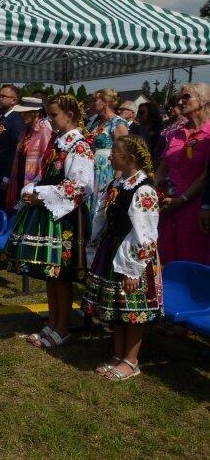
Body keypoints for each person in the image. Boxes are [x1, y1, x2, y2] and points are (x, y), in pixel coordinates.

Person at [5, 94, 94, 347]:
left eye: (54, 115)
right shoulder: (58, 143)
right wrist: (31, 189)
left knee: (61, 276)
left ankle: (62, 327)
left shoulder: (79, 146)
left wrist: (41, 195)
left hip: (65, 219)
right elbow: (45, 175)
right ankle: (52, 323)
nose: (50, 119)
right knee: (50, 274)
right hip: (51, 213)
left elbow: (79, 186)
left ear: (70, 115)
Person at [82, 135, 162, 380]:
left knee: (131, 309)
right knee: (117, 307)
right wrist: (94, 246)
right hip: (112, 248)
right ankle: (117, 355)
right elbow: (102, 217)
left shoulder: (144, 189)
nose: (111, 156)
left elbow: (145, 232)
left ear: (129, 158)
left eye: (115, 152)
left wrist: (133, 268)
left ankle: (131, 360)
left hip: (132, 254)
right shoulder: (117, 183)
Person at [155, 82, 210, 265]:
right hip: (168, 204)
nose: (180, 101)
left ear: (204, 100)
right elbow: (163, 166)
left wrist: (182, 200)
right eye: (180, 98)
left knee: (192, 258)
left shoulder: (208, 134)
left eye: (186, 97)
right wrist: (156, 191)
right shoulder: (176, 133)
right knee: (167, 257)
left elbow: (206, 174)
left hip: (195, 206)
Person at [5, 97, 53, 215]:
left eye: (25, 112)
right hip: (20, 178)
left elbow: (46, 162)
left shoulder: (45, 132)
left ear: (35, 112)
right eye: (21, 112)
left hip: (33, 183)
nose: (22, 115)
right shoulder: (24, 132)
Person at [86, 88, 129, 213]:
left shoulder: (118, 123)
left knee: (102, 202)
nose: (93, 103)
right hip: (93, 166)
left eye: (95, 100)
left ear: (105, 103)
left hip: (107, 168)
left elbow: (123, 152)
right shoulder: (96, 123)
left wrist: (117, 179)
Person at [0, 85, 25, 211]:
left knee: (4, 209)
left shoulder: (16, 120)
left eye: (3, 96)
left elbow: (14, 150)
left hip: (4, 174)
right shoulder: (2, 119)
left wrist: (7, 177)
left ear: (14, 100)